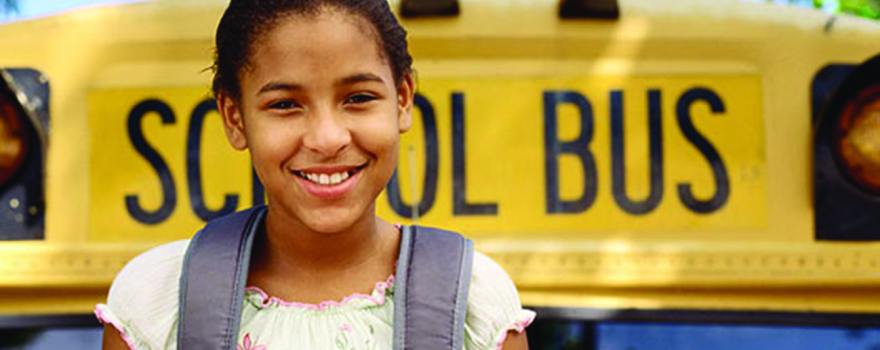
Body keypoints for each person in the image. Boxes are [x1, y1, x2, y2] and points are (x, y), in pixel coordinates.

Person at [96, 0, 535, 349]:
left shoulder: (471, 305)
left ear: (402, 100)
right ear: (234, 117)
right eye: (285, 104)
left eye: (359, 97)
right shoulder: (162, 304)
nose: (327, 138)